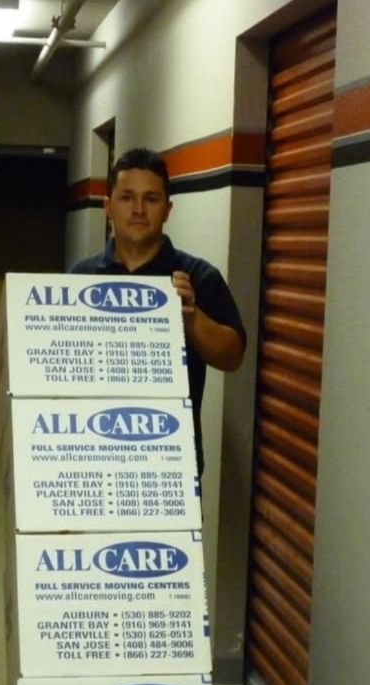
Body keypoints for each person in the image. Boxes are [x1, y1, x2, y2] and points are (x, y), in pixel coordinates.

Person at [69, 147, 246, 476]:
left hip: (171, 466)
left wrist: (191, 317)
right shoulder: (81, 279)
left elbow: (232, 356)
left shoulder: (198, 278)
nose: (138, 210)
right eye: (126, 197)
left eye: (151, 199)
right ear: (108, 207)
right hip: (93, 459)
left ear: (167, 209)